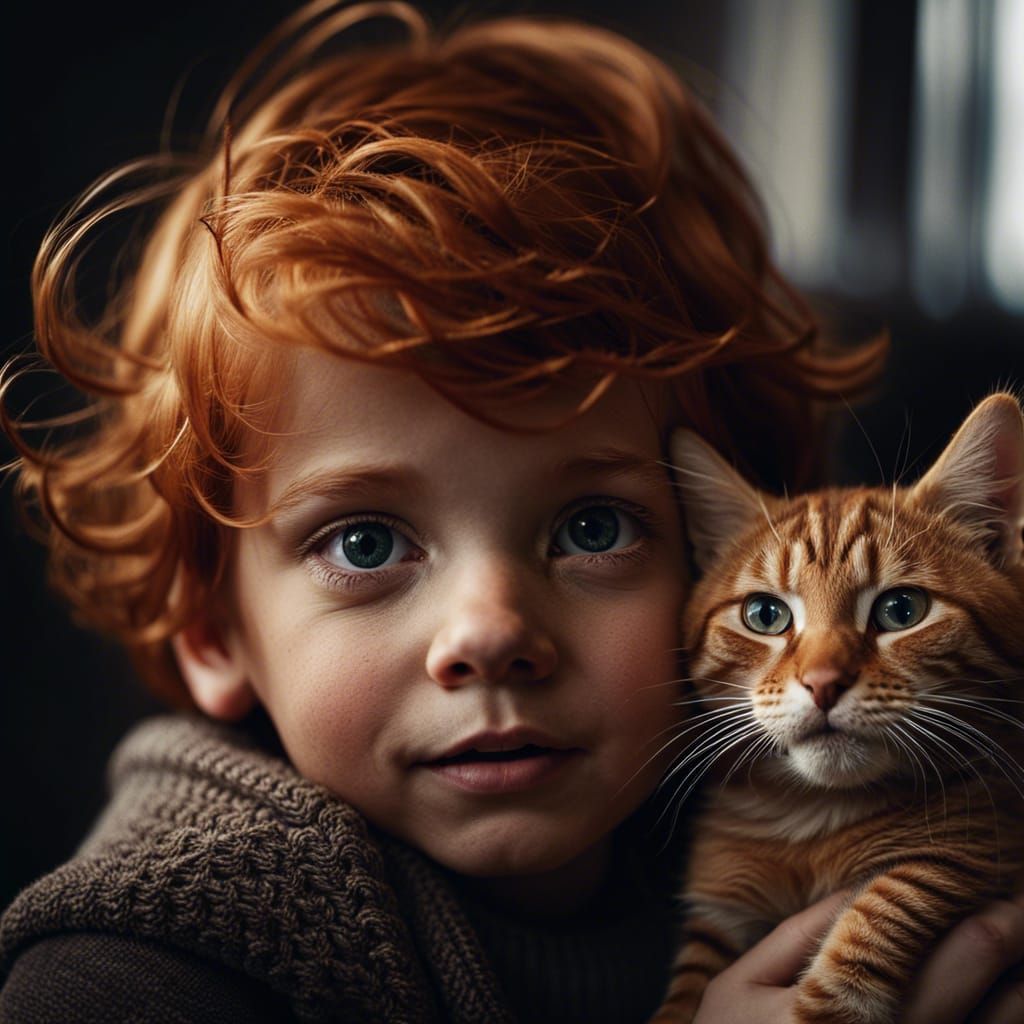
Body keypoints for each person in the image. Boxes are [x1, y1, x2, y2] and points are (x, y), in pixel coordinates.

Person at [1, 3, 1021, 1021]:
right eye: (365, 541)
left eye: (592, 527)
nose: (490, 632)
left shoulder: (768, 802)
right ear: (212, 631)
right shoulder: (130, 975)